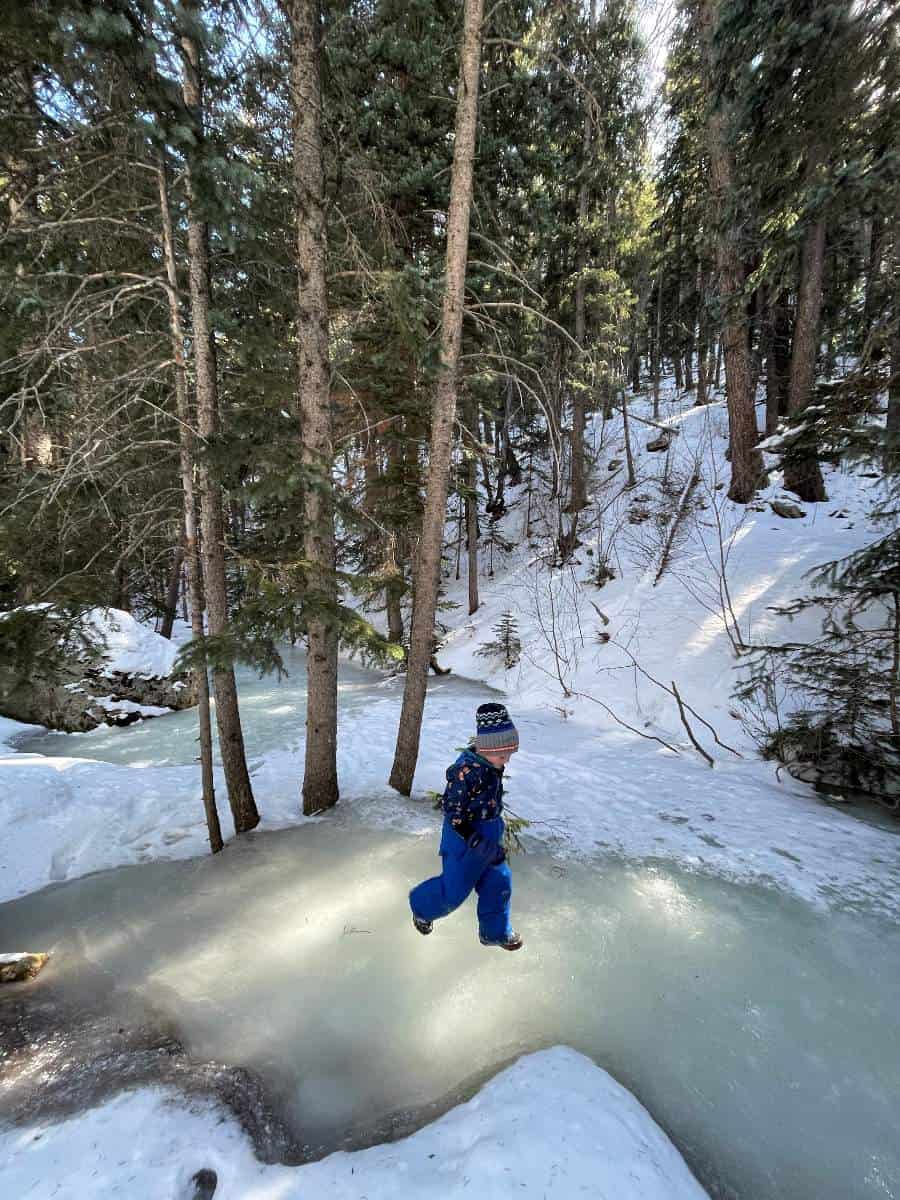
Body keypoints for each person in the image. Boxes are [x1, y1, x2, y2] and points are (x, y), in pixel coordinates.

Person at [409, 702, 523, 951]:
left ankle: (495, 933)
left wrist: (491, 835)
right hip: (463, 840)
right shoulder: (465, 773)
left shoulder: (491, 762)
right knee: (454, 892)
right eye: (503, 755)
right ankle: (421, 908)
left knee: (499, 882)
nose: (507, 761)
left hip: (489, 833)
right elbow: (453, 814)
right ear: (486, 748)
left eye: (510, 755)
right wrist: (475, 841)